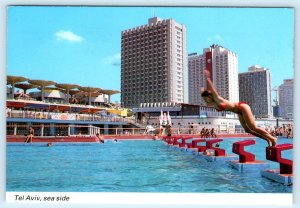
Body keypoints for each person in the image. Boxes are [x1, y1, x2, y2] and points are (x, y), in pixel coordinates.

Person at [201, 70, 277, 147]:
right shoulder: (213, 103)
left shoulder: (218, 99)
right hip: (238, 112)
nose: (205, 101)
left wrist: (208, 78)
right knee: (247, 130)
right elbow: (203, 93)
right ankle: (267, 139)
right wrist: (201, 88)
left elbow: (213, 90)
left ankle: (272, 138)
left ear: (210, 96)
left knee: (253, 127)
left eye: (205, 99)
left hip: (242, 107)